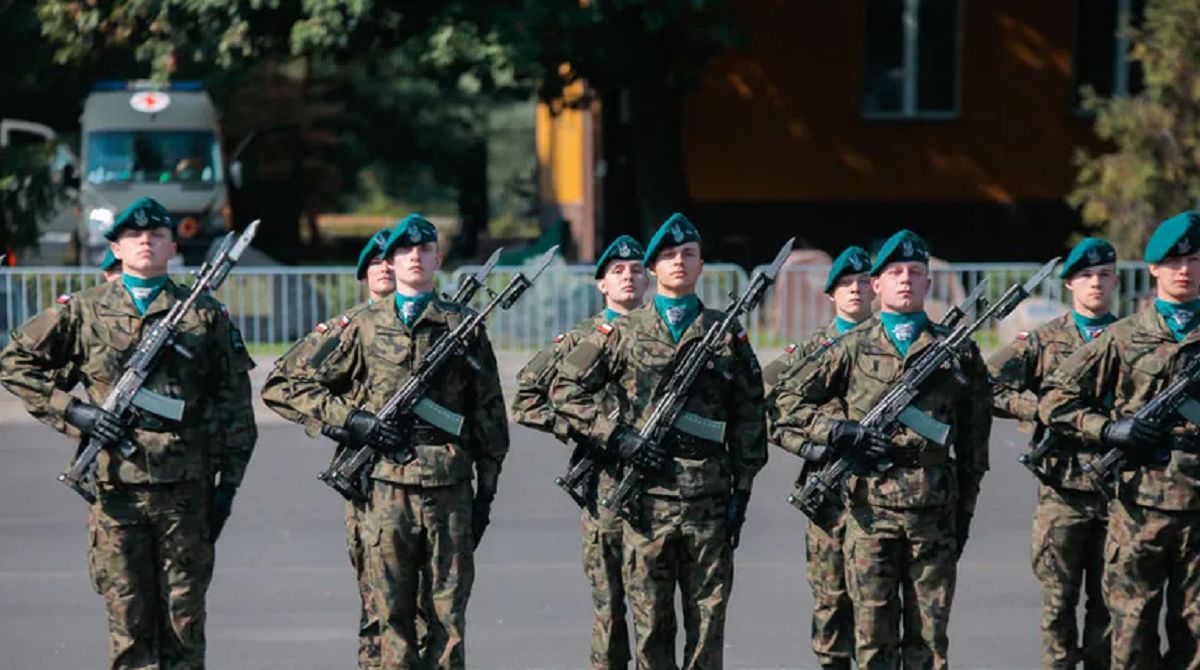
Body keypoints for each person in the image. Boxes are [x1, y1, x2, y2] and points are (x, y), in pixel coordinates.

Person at [0, 196, 257, 669]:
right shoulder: (82, 310)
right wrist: (75, 413)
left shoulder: (203, 314)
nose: (146, 241)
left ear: (173, 248)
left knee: (184, 623)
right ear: (115, 249)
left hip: (186, 490)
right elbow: (15, 363)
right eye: (134, 236)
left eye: (157, 235)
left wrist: (229, 486)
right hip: (116, 490)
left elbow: (235, 406)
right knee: (129, 622)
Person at [264, 213, 508, 668]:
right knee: (389, 615)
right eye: (403, 251)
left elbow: (488, 413)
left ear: (438, 258)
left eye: (424, 249)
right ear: (391, 263)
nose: (414, 257)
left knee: (446, 618)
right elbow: (287, 386)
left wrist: (487, 489)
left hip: (447, 486)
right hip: (383, 487)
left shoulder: (464, 326)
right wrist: (352, 421)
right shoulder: (361, 326)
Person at [550, 212, 767, 669]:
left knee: (708, 621)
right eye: (668, 256)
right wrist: (617, 437)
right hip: (646, 501)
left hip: (708, 496)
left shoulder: (724, 331)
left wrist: (742, 488)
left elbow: (748, 414)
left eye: (688, 255)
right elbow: (565, 390)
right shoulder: (622, 332)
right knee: (651, 626)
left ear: (701, 265)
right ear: (652, 269)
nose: (679, 263)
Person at [768, 229, 991, 668]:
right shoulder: (850, 346)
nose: (905, 279)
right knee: (872, 639)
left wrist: (963, 513)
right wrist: (835, 431)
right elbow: (783, 403)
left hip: (934, 510)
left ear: (929, 283)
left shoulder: (956, 351)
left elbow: (973, 443)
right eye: (894, 272)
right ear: (877, 285)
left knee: (929, 640)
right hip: (868, 513)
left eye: (915, 272)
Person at [1040, 212, 1200, 669]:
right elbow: (1056, 397)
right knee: (1130, 638)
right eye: (1173, 262)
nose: (1184, 270)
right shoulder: (1122, 337)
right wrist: (1107, 429)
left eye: (1193, 259)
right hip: (1136, 509)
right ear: (1153, 269)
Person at [262, 228, 396, 669]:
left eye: (392, 260)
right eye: (376, 264)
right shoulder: (347, 329)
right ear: (364, 275)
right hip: (371, 475)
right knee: (379, 603)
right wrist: (346, 421)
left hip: (425, 475)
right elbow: (285, 386)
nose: (387, 269)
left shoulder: (437, 325)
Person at [512, 234, 648, 669]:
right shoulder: (580, 338)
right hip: (605, 484)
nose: (628, 277)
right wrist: (585, 431)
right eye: (617, 272)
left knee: (656, 606)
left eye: (636, 270)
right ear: (602, 285)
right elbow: (527, 398)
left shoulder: (663, 336)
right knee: (610, 604)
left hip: (659, 483)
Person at [988, 238, 1119, 670]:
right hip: (1061, 490)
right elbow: (988, 386)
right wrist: (1040, 410)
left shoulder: (1132, 338)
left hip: (1119, 491)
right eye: (1086, 275)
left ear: (1116, 280)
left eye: (1104, 274)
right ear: (1069, 285)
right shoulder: (1043, 341)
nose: (1095, 282)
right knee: (1057, 606)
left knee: (1110, 609)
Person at [764, 245, 875, 670]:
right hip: (828, 489)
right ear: (831, 295)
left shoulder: (894, 348)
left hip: (880, 490)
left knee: (877, 599)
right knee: (830, 595)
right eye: (846, 284)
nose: (856, 291)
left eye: (864, 283)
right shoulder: (810, 350)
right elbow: (769, 408)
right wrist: (812, 447)